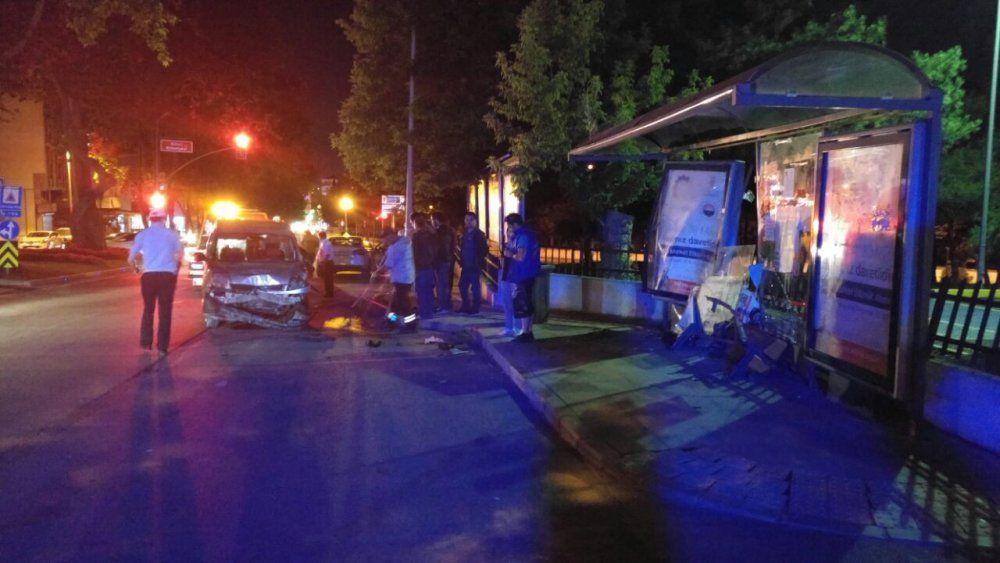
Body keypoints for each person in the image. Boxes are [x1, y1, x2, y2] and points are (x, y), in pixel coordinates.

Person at [127, 208, 184, 357]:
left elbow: (131, 256)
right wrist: (175, 269)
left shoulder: (143, 235)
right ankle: (162, 347)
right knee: (165, 311)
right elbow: (180, 254)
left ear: (150, 219)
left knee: (148, 309)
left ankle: (146, 342)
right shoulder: (172, 235)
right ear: (164, 219)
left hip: (149, 276)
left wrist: (135, 269)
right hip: (167, 276)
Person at [503, 213, 541, 342]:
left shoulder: (522, 236)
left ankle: (525, 333)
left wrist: (509, 254)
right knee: (527, 302)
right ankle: (528, 332)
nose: (508, 228)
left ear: (514, 224)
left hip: (522, 274)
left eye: (509, 225)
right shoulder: (527, 234)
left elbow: (520, 256)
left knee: (523, 303)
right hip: (529, 273)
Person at [377, 228, 417, 330]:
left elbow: (388, 265)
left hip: (400, 279)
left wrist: (377, 272)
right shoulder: (405, 241)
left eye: (386, 240)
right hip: (407, 277)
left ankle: (411, 325)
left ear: (391, 236)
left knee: (403, 304)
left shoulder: (395, 248)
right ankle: (391, 323)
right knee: (395, 304)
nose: (385, 242)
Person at [458, 211, 488, 314]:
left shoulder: (479, 235)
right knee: (462, 286)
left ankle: (475, 308)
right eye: (467, 219)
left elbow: (484, 250)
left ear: (475, 221)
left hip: (475, 266)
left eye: (471, 220)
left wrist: (478, 261)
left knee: (475, 288)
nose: (468, 222)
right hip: (465, 265)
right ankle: (465, 306)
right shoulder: (465, 233)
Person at [410, 213, 439, 319]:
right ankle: (429, 313)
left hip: (420, 267)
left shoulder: (416, 236)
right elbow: (436, 250)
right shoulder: (432, 235)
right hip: (430, 266)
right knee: (429, 290)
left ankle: (423, 313)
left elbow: (414, 253)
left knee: (421, 291)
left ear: (415, 224)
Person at [430, 211, 455, 312]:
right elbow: (453, 246)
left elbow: (437, 248)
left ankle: (443, 306)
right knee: (446, 284)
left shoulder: (438, 232)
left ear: (435, 220)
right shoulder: (451, 230)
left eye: (432, 220)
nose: (431, 222)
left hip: (440, 260)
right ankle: (447, 304)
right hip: (448, 259)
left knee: (441, 285)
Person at [314, 231, 335, 298]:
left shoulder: (325, 243)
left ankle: (329, 293)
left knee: (328, 279)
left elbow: (326, 254)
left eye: (318, 236)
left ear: (320, 236)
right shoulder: (324, 242)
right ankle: (329, 292)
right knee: (327, 278)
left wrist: (322, 262)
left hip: (327, 263)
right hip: (327, 262)